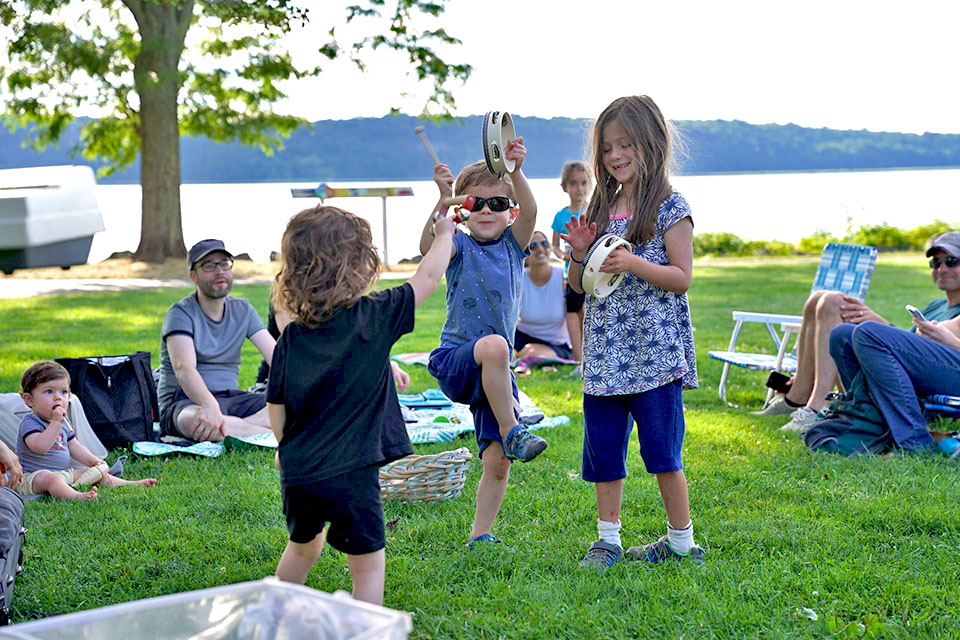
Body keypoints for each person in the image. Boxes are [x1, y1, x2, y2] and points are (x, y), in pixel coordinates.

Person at [267, 205, 455, 605]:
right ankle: (365, 627)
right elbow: (428, 276)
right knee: (367, 567)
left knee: (303, 547)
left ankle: (272, 613)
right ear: (358, 265)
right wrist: (444, 236)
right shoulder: (375, 315)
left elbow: (277, 406)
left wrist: (286, 450)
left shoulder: (292, 338)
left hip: (300, 473)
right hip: (353, 473)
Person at [561, 96, 702, 569]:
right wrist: (580, 253)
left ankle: (682, 542)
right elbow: (579, 285)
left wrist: (635, 262)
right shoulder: (601, 203)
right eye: (606, 148)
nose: (615, 155)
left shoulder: (669, 206)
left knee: (662, 450)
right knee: (603, 450)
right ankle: (608, 540)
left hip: (653, 352)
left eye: (625, 144)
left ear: (651, 143)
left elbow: (682, 277)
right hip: (605, 352)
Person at [420, 141, 547, 550]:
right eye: (477, 203)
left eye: (497, 202)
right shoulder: (458, 244)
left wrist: (516, 171)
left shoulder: (514, 246)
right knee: (495, 345)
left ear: (510, 211)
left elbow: (531, 210)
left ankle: (481, 535)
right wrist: (442, 202)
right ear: (464, 209)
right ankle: (513, 429)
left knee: (497, 462)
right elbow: (428, 249)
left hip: (495, 373)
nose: (487, 210)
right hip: (456, 361)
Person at [763, 231, 960, 433]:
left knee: (835, 302)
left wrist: (878, 326)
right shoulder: (936, 306)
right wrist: (878, 322)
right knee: (821, 300)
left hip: (918, 387)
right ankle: (798, 394)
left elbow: (925, 356)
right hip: (901, 372)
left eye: (951, 261)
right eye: (936, 263)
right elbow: (910, 348)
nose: (942, 268)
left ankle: (817, 404)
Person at [157, 239, 276, 442]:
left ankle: (239, 429)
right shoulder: (180, 314)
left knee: (293, 408)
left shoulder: (243, 310)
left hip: (232, 399)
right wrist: (209, 405)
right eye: (209, 266)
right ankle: (273, 433)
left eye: (224, 263)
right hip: (184, 403)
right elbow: (184, 369)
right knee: (200, 422)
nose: (220, 271)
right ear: (193, 276)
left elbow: (278, 357)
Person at [15, 361, 156, 500]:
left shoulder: (63, 422)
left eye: (63, 392)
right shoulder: (30, 423)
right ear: (29, 400)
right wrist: (56, 422)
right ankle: (77, 496)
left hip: (62, 473)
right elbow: (40, 447)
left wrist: (94, 462)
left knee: (93, 474)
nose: (58, 397)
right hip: (32, 477)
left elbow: (74, 446)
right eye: (49, 391)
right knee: (52, 480)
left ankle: (130, 484)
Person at [514, 230, 574, 375]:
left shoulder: (563, 277)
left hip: (556, 344)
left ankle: (523, 361)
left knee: (532, 351)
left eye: (544, 244)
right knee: (527, 349)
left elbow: (575, 317)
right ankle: (524, 359)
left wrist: (579, 358)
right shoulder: (518, 278)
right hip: (522, 338)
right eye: (533, 246)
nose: (540, 249)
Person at [551, 161, 593, 361]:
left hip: (593, 274)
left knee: (589, 314)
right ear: (564, 187)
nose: (579, 189)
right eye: (574, 184)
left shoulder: (594, 211)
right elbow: (554, 246)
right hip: (572, 275)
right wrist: (562, 256)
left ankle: (591, 354)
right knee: (572, 312)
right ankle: (578, 356)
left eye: (584, 183)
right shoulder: (561, 216)